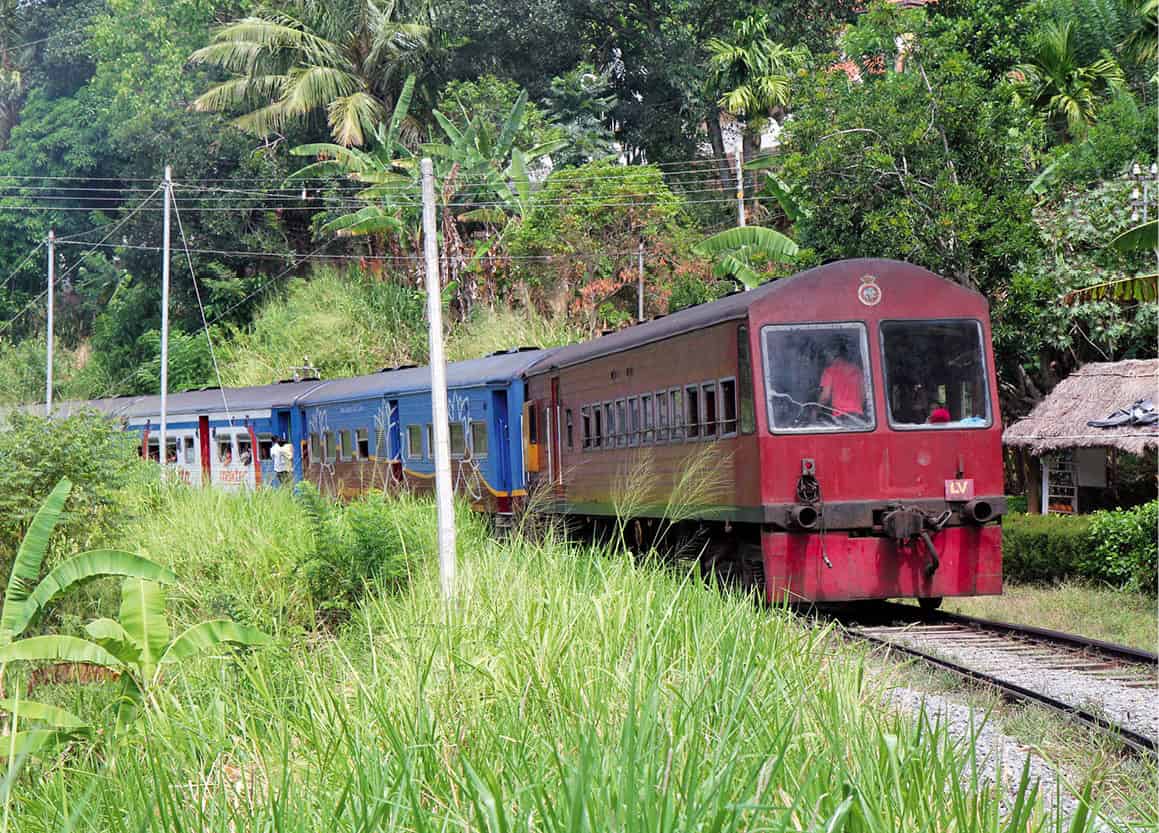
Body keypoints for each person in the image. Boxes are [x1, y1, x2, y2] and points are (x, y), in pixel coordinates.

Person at [818, 343, 865, 420]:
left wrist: (816, 410)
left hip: (840, 417)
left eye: (826, 355)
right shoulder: (857, 369)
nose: (826, 358)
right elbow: (863, 394)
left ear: (831, 355)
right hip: (858, 417)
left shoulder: (829, 371)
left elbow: (825, 397)